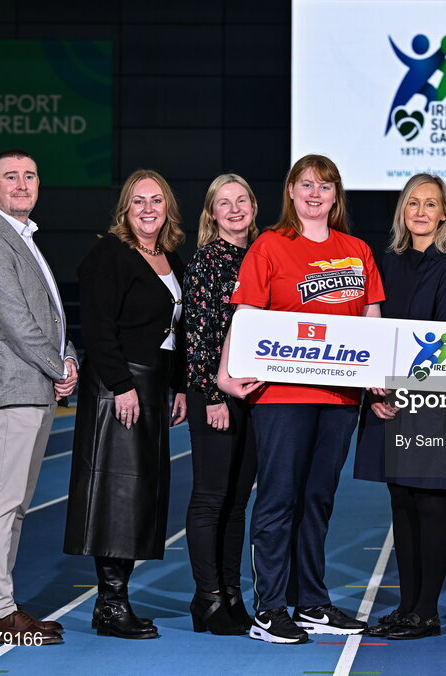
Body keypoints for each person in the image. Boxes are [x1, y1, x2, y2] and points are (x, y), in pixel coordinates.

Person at [217, 154, 384, 645]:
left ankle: (310, 601)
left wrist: (376, 375)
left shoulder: (356, 250)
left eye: (325, 186)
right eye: (306, 184)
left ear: (337, 196)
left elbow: (372, 320)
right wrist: (226, 375)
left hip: (338, 397)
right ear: (290, 191)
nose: (315, 194)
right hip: (282, 395)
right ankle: (270, 608)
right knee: (277, 498)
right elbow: (244, 317)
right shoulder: (269, 246)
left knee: (318, 500)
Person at [0, 149, 77, 646]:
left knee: (15, 506)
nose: (22, 184)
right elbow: (17, 324)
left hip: (33, 388)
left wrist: (68, 358)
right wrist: (60, 366)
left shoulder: (23, 238)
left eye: (30, 175)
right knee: (1, 505)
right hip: (10, 390)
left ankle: (1, 609)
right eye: (11, 177)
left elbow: (51, 318)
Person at [64, 169, 188, 640]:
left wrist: (174, 386)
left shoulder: (169, 257)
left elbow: (173, 334)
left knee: (142, 496)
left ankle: (114, 601)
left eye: (157, 200)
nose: (148, 209)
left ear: (168, 207)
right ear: (125, 208)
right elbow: (97, 328)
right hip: (120, 388)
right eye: (139, 201)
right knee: (120, 496)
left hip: (153, 386)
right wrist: (121, 386)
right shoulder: (110, 255)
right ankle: (110, 605)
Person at [354, 174, 446, 640]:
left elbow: (444, 342)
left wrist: (400, 389)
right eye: (413, 203)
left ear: (443, 215)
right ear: (403, 211)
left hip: (431, 402)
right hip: (385, 400)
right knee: (400, 501)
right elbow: (370, 333)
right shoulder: (384, 264)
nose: (421, 211)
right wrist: (375, 391)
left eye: (431, 204)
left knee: (428, 502)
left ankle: (427, 612)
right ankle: (405, 607)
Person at [183, 174, 260, 635]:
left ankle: (231, 594)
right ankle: (207, 598)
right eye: (223, 203)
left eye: (241, 201)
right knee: (211, 498)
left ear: (253, 205)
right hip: (216, 396)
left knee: (236, 503)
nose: (234, 210)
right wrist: (214, 393)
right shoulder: (207, 262)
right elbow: (197, 334)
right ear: (212, 213)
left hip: (252, 397)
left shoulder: (263, 255)